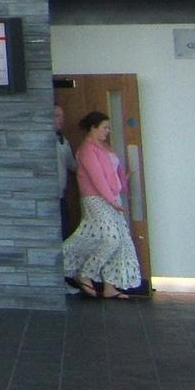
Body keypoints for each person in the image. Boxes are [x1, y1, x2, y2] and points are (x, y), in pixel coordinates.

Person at [62, 111, 142, 298]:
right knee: (110, 239)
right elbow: (97, 178)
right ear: (93, 128)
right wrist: (113, 201)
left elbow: (114, 172)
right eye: (104, 127)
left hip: (111, 198)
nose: (107, 131)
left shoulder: (105, 147)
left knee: (120, 239)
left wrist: (122, 184)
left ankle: (109, 287)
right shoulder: (87, 150)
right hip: (96, 199)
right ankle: (85, 273)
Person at [55, 104, 79, 240]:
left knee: (65, 235)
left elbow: (72, 165)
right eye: (57, 116)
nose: (61, 119)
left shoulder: (63, 141)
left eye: (62, 116)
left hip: (61, 198)